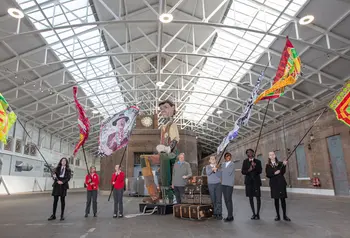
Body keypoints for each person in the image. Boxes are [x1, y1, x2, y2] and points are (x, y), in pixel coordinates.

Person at [140, 99, 180, 203]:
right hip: (163, 155)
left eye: (166, 107)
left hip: (172, 154)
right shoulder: (162, 127)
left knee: (164, 157)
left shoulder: (173, 125)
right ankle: (154, 195)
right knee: (144, 159)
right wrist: (159, 150)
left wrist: (167, 148)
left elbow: (175, 140)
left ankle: (168, 195)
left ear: (173, 108)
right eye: (161, 109)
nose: (163, 110)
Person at [265, 151, 291, 221]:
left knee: (283, 200)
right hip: (274, 184)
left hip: (281, 183)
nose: (272, 156)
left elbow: (282, 172)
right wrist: (274, 173)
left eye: (273, 154)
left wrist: (284, 165)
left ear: (275, 155)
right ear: (269, 157)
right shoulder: (268, 165)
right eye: (270, 155)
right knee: (276, 200)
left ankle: (285, 216)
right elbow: (268, 175)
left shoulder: (279, 163)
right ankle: (278, 216)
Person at [241, 149, 262, 220]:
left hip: (256, 182)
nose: (249, 153)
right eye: (248, 152)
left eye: (250, 152)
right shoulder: (245, 161)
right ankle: (253, 213)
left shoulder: (258, 161)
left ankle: (258, 214)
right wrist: (249, 170)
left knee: (258, 197)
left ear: (253, 153)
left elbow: (260, 171)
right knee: (250, 198)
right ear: (247, 154)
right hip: (249, 182)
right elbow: (243, 171)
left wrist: (255, 166)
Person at [206, 156, 222, 220]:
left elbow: (220, 175)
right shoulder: (207, 167)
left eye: (214, 159)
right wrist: (212, 169)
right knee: (213, 199)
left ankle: (219, 213)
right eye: (211, 159)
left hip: (218, 184)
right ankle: (215, 213)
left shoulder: (218, 166)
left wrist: (216, 170)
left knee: (219, 199)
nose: (213, 160)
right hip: (211, 184)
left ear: (215, 160)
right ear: (209, 160)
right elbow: (208, 173)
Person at [221, 152, 235, 222]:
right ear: (225, 157)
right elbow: (221, 173)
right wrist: (216, 169)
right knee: (226, 200)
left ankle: (230, 216)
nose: (228, 157)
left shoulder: (232, 164)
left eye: (229, 156)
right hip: (223, 184)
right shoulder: (223, 164)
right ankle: (229, 215)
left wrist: (220, 169)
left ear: (231, 157)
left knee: (229, 199)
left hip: (229, 184)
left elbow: (229, 172)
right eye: (226, 156)